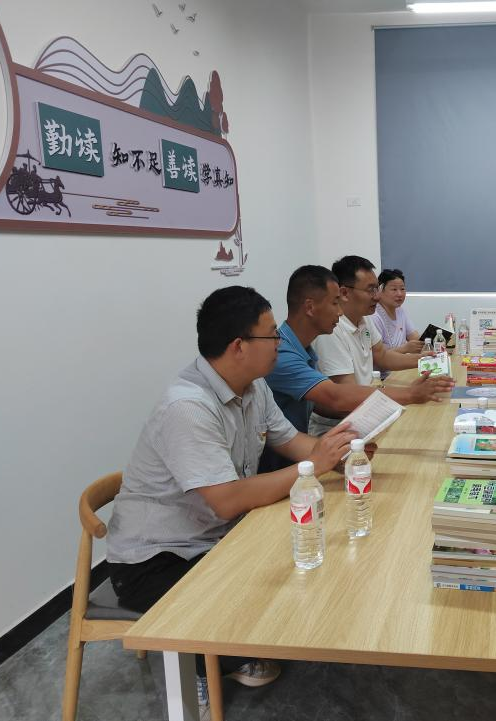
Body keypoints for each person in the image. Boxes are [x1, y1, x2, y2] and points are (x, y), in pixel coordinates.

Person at [106, 286, 357, 710]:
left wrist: (342, 452)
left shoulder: (253, 387)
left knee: (302, 577)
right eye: (271, 335)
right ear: (239, 346)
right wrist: (315, 464)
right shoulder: (188, 407)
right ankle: (198, 666)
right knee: (267, 606)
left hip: (216, 537)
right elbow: (226, 500)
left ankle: (225, 650)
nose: (279, 343)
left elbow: (293, 442)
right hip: (156, 560)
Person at [262, 265, 454, 452]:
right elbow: (337, 397)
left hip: (313, 439)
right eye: (334, 303)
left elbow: (296, 433)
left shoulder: (302, 346)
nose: (339, 312)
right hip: (323, 433)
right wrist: (410, 394)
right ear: (310, 307)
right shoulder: (283, 355)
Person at [310, 256, 454, 435]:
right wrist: (410, 393)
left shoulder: (364, 319)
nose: (377, 296)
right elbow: (348, 395)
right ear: (345, 293)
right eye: (371, 290)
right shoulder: (331, 330)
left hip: (366, 410)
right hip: (338, 424)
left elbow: (383, 356)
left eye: (377, 288)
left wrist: (425, 359)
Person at [372, 268, 423, 354]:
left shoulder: (400, 311)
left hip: (403, 360)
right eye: (394, 289)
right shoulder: (374, 316)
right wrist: (405, 349)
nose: (399, 294)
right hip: (388, 363)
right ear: (380, 290)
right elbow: (378, 356)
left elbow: (415, 337)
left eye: (402, 289)